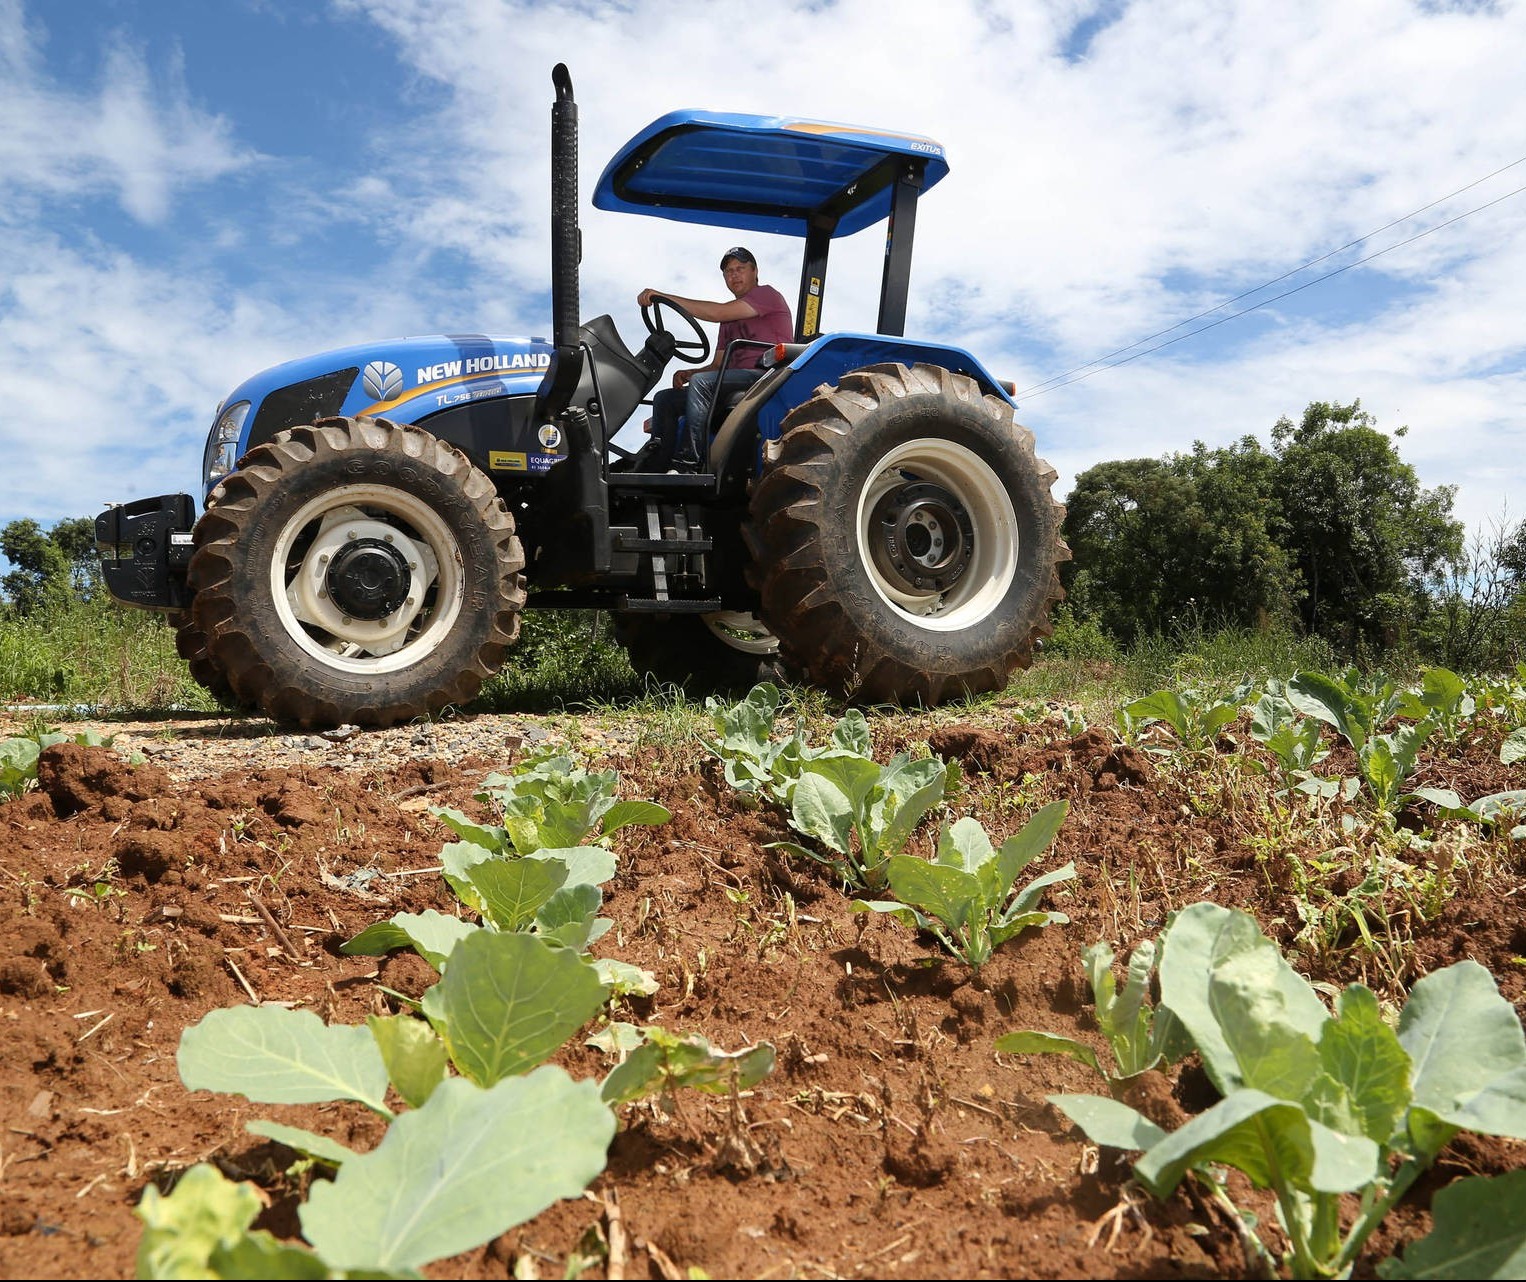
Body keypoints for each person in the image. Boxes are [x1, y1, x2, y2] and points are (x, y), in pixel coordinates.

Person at [636, 247, 793, 470]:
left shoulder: (767, 295)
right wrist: (690, 373)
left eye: (740, 269)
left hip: (767, 376)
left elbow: (716, 312)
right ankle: (657, 466)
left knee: (703, 384)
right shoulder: (729, 319)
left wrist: (662, 296)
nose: (734, 275)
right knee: (665, 399)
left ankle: (688, 463)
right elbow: (718, 365)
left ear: (755, 271)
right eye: (728, 271)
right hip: (733, 380)